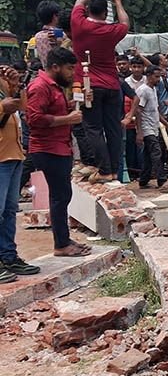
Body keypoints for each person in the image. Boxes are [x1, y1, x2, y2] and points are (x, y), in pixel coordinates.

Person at [27, 47, 90, 257]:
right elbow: (34, 119)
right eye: (69, 68)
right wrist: (67, 119)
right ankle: (61, 244)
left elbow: (53, 110)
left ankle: (64, 239)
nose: (72, 73)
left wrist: (73, 105)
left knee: (63, 195)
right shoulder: (40, 86)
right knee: (59, 196)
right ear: (55, 67)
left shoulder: (53, 87)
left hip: (60, 147)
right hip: (48, 149)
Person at [71, 0, 129, 183]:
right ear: (105, 13)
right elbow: (125, 22)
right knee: (113, 129)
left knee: (93, 128)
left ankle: (104, 170)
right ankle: (113, 170)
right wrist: (118, 2)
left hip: (88, 85)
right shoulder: (111, 31)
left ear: (88, 10)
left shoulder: (78, 24)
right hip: (112, 85)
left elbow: (78, 2)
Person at [0, 64, 40, 281]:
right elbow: (6, 107)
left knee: (9, 211)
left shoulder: (2, 81)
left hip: (13, 154)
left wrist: (16, 85)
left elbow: (22, 106)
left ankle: (9, 256)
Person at [135, 66, 168, 188]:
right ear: (148, 76)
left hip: (153, 127)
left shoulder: (152, 89)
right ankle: (161, 179)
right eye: (156, 76)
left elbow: (155, 110)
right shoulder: (144, 91)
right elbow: (138, 110)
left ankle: (144, 180)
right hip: (146, 128)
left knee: (148, 155)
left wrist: (166, 124)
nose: (158, 79)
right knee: (156, 152)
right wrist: (140, 132)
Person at [34, 1, 63, 71]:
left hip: (46, 73)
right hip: (61, 73)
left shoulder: (38, 36)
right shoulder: (61, 35)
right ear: (54, 16)